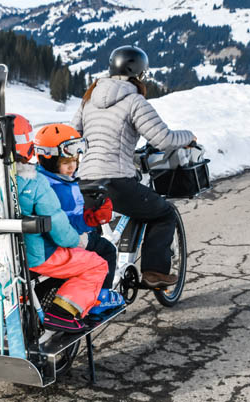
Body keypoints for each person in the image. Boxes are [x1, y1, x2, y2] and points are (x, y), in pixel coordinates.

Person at [71, 45, 196, 288]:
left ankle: (94, 288)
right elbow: (164, 139)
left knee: (94, 231)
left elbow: (73, 135)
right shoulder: (133, 100)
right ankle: (154, 271)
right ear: (138, 73)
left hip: (85, 181)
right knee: (163, 212)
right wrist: (189, 137)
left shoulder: (88, 100)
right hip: (116, 181)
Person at [11, 114, 107, 333]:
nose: (72, 165)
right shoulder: (35, 182)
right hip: (37, 255)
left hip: (6, 255)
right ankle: (63, 312)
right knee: (97, 263)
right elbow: (60, 228)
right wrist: (77, 240)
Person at [32, 123, 125, 315]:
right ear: (49, 160)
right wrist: (90, 219)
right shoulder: (55, 188)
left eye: (75, 161)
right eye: (66, 163)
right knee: (106, 250)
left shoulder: (48, 178)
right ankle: (100, 297)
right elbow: (64, 224)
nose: (72, 167)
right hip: (62, 241)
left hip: (48, 240)